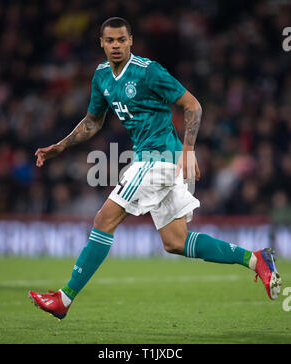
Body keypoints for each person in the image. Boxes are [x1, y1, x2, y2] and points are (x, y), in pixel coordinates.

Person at [29, 17, 281, 320]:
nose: (116, 46)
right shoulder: (101, 77)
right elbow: (94, 120)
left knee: (104, 219)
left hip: (159, 158)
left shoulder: (149, 72)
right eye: (110, 41)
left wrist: (188, 151)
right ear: (102, 43)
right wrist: (60, 146)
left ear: (131, 40)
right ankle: (256, 260)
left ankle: (64, 299)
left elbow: (193, 106)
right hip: (156, 160)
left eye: (121, 40)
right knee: (175, 242)